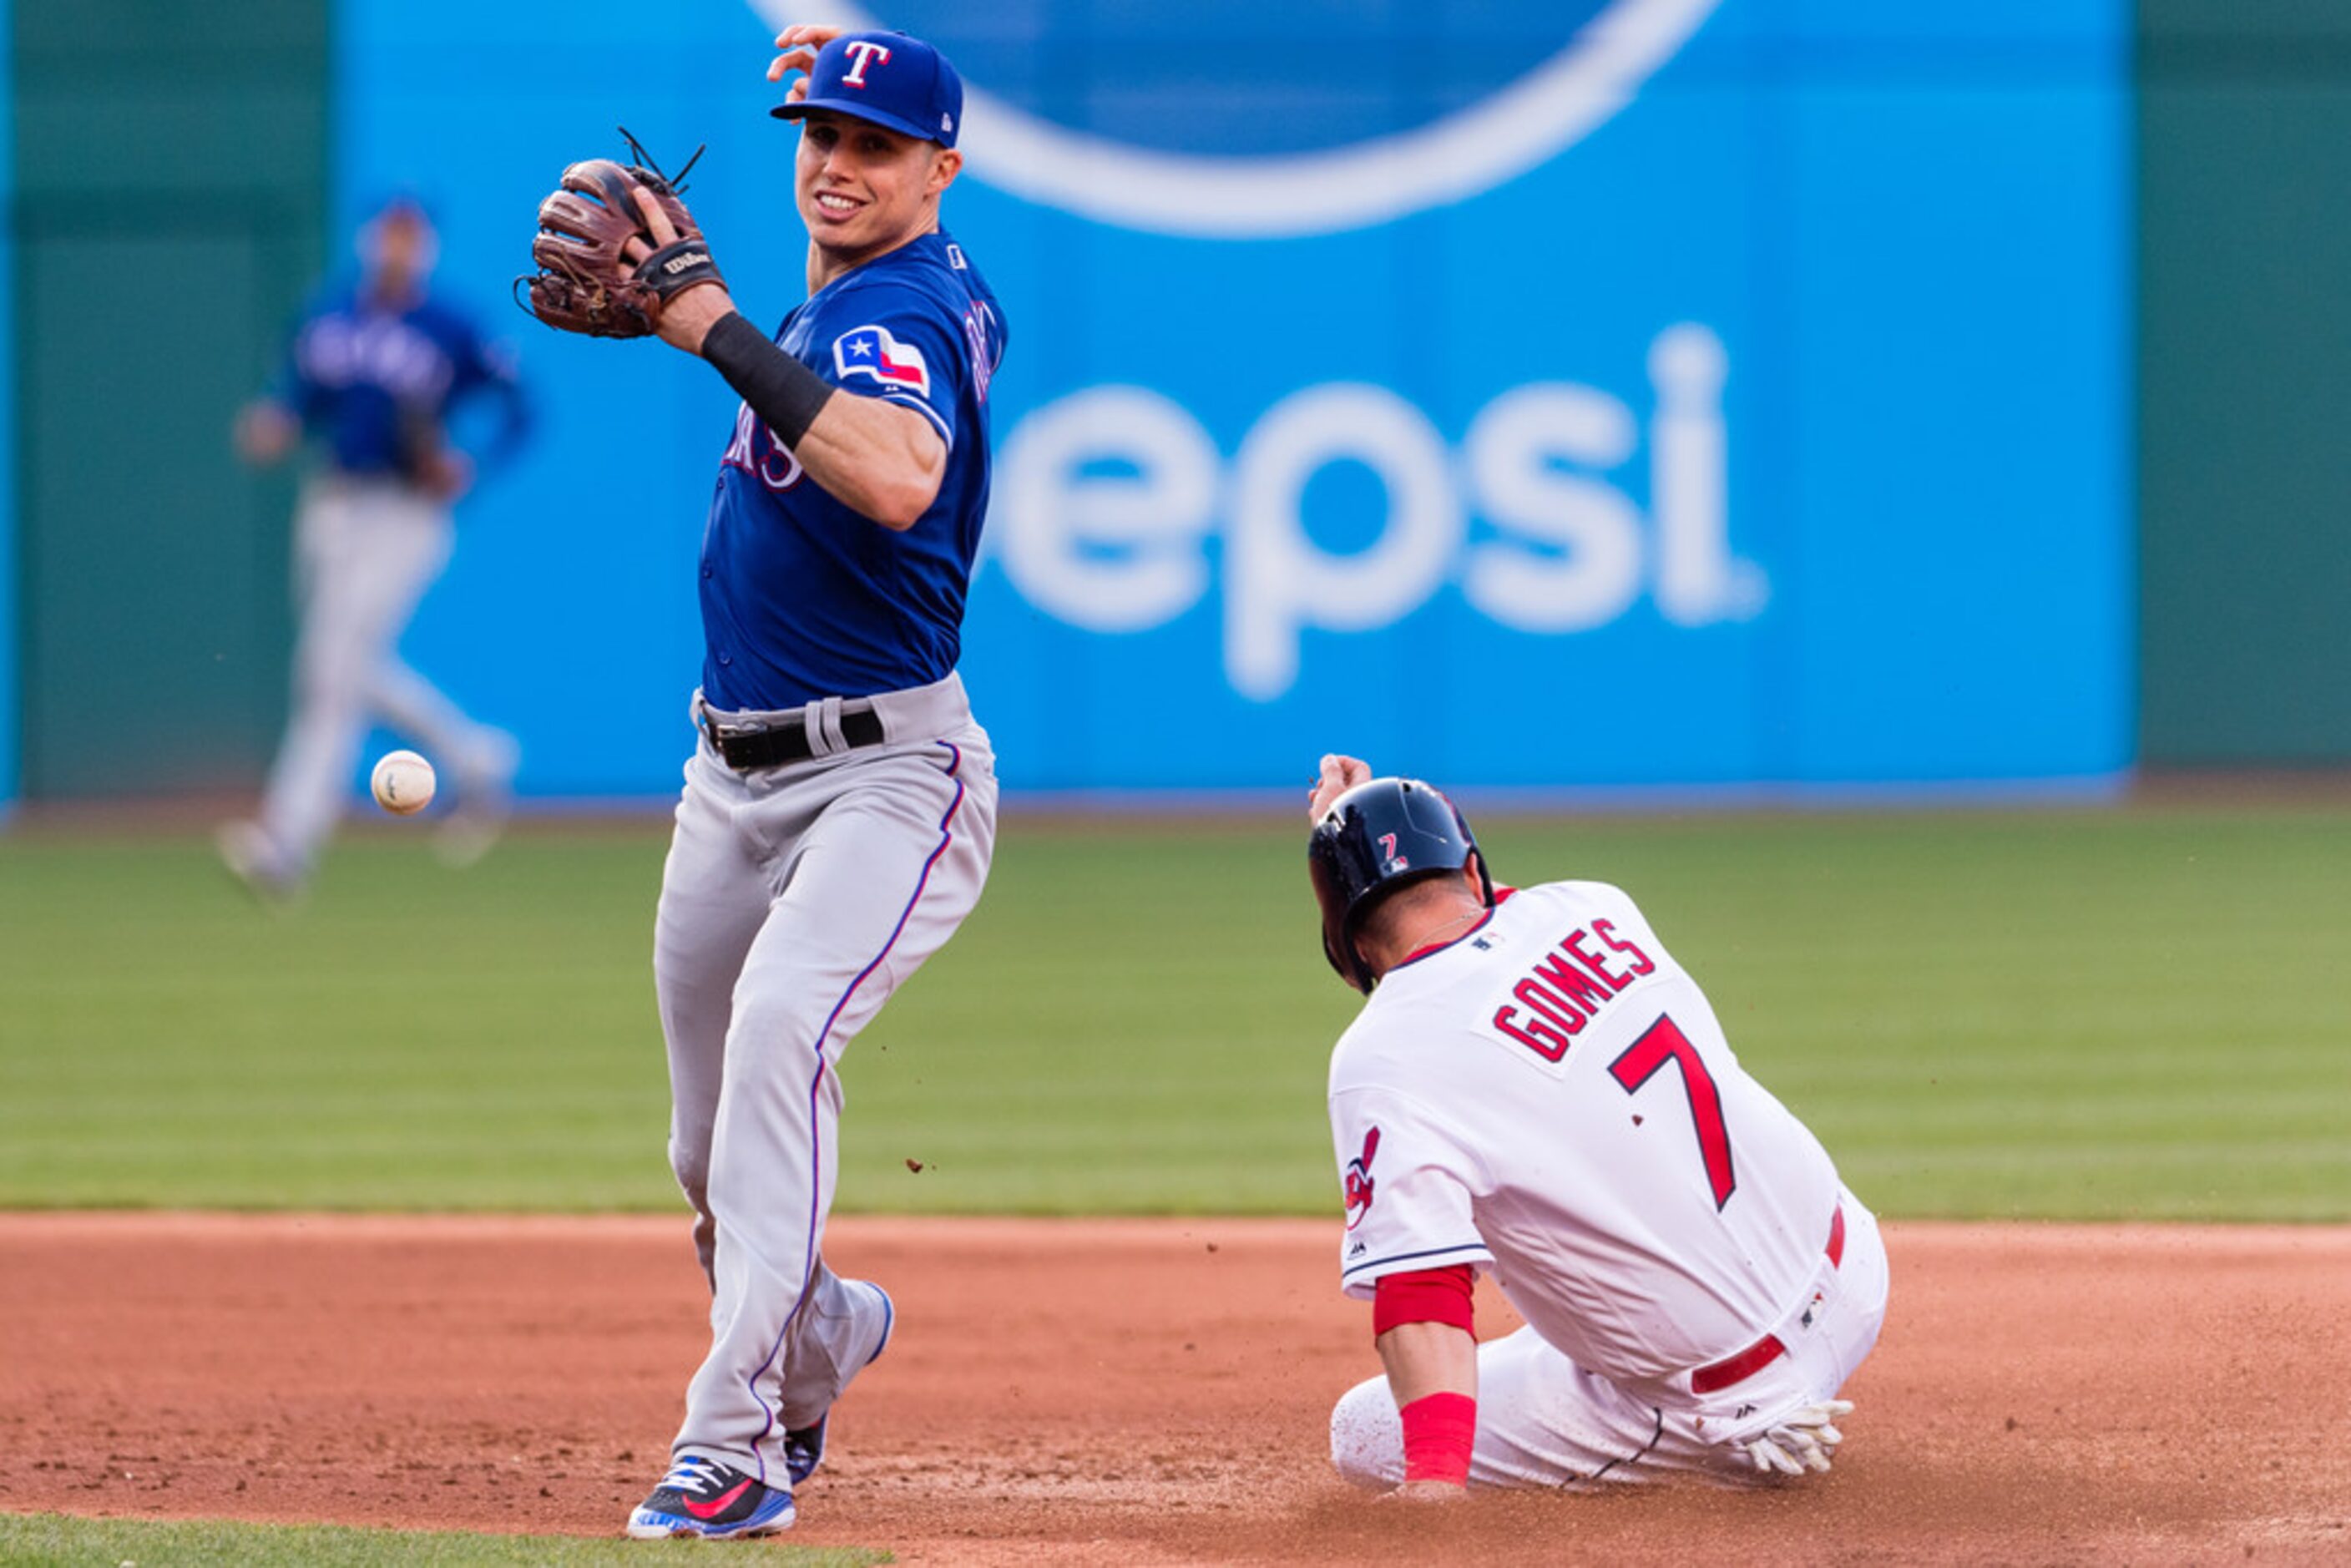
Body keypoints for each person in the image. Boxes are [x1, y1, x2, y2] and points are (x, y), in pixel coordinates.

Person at [589, 23, 1008, 1541]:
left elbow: (896, 474)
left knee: (780, 1039)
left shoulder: (903, 309)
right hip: (730, 775)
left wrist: (706, 326)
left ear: (942, 171)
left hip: (890, 775)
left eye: (876, 146)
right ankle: (822, 1332)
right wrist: (826, 35)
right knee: (707, 1157)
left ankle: (735, 1443)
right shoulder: (840, 293)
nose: (836, 164)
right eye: (818, 135)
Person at [1301, 754, 1888, 1496]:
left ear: (1350, 949)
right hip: (1854, 1268)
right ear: (1474, 872)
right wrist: (1367, 823)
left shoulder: (1382, 1056)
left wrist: (1435, 1485)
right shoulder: (1593, 905)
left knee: (1364, 1432)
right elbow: (1483, 927)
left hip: (1728, 1396)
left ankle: (1740, 1453)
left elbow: (1424, 1288)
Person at [220, 194, 529, 900]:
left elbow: (520, 407)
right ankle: (475, 758)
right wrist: (278, 419)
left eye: (409, 235)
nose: (396, 245)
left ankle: (286, 844)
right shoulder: (331, 313)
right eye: (387, 233)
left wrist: (470, 461)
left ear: (424, 245)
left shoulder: (450, 325)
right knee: (343, 666)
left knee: (329, 673)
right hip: (333, 502)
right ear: (368, 239)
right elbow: (301, 397)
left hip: (405, 513)